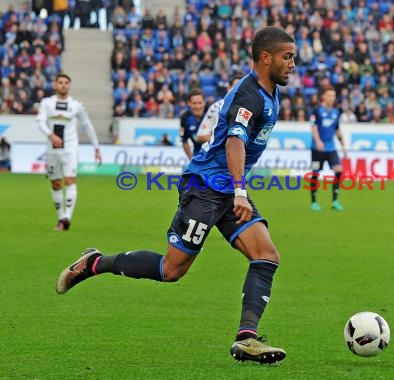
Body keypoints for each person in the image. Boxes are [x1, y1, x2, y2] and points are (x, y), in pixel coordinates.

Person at [55, 26, 296, 364]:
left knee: (266, 256)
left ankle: (247, 339)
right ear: (266, 58)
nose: (293, 64)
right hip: (206, 189)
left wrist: (236, 190)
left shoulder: (267, 92)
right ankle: (95, 263)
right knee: (171, 269)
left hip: (227, 191)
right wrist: (240, 190)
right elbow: (234, 141)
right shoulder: (249, 95)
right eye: (287, 56)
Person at [37, 73, 102, 231]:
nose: (63, 85)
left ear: (69, 85)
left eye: (66, 82)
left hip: (70, 148)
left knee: (70, 181)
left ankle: (66, 218)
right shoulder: (47, 103)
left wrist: (96, 147)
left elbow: (87, 125)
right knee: (56, 183)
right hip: (52, 149)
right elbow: (40, 121)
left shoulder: (76, 105)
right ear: (55, 85)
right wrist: (51, 135)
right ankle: (60, 217)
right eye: (60, 82)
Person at [309, 87, 348, 211]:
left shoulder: (336, 112)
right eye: (329, 95)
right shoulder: (317, 111)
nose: (332, 98)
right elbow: (314, 127)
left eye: (334, 95)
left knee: (339, 170)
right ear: (324, 97)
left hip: (331, 148)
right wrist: (318, 141)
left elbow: (337, 129)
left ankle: (335, 201)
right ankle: (314, 202)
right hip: (317, 149)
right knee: (315, 173)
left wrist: (343, 146)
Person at [195, 73, 245, 144]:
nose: (239, 91)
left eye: (242, 88)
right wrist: (224, 142)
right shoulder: (216, 107)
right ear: (228, 88)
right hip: (221, 153)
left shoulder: (254, 108)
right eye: (236, 87)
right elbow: (202, 136)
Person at [180, 88, 206, 159]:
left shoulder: (213, 114)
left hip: (215, 155)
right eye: (194, 103)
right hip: (197, 154)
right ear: (189, 103)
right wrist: (191, 159)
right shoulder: (185, 118)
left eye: (200, 103)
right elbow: (184, 140)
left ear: (204, 102)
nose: (197, 106)